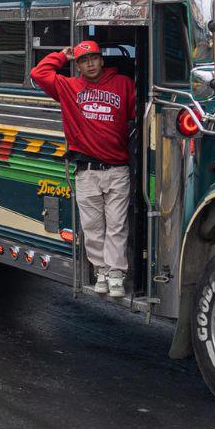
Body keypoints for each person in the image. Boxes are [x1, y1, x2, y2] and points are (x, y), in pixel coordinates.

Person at [30, 39, 137, 298]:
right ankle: (100, 270)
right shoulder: (69, 87)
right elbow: (38, 74)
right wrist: (61, 55)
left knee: (117, 225)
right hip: (86, 169)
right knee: (92, 226)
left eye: (93, 58)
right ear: (77, 65)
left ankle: (115, 274)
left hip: (117, 168)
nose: (89, 64)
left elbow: (135, 116)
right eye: (82, 61)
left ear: (102, 60)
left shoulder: (123, 84)